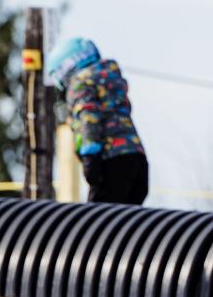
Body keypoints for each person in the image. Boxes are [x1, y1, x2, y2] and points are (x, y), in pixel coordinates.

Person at [46, 37, 148, 204]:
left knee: (97, 221)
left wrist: (90, 157)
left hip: (111, 160)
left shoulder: (80, 84)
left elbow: (88, 118)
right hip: (137, 159)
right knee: (129, 221)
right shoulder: (111, 80)